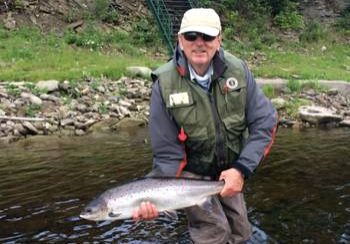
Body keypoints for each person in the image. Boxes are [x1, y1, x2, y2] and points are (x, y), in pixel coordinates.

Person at [133, 8, 278, 244]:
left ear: (219, 40)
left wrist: (241, 170)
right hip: (189, 174)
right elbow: (167, 153)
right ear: (180, 40)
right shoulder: (164, 84)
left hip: (230, 170)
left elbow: (265, 122)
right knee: (215, 232)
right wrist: (154, 196)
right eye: (191, 36)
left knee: (241, 232)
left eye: (207, 37)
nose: (199, 43)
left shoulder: (238, 72)